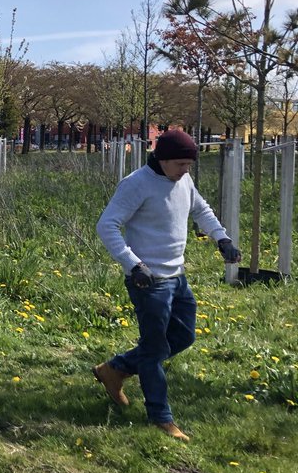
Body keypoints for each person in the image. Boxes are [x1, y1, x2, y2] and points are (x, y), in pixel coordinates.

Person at [93, 128, 240, 442]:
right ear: (162, 159)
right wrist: (133, 264)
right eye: (180, 165)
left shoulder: (182, 180)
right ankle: (161, 417)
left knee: (184, 336)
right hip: (148, 281)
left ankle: (115, 369)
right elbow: (106, 225)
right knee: (154, 348)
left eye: (189, 165)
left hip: (177, 277)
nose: (185, 171)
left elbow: (200, 209)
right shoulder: (136, 184)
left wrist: (221, 237)